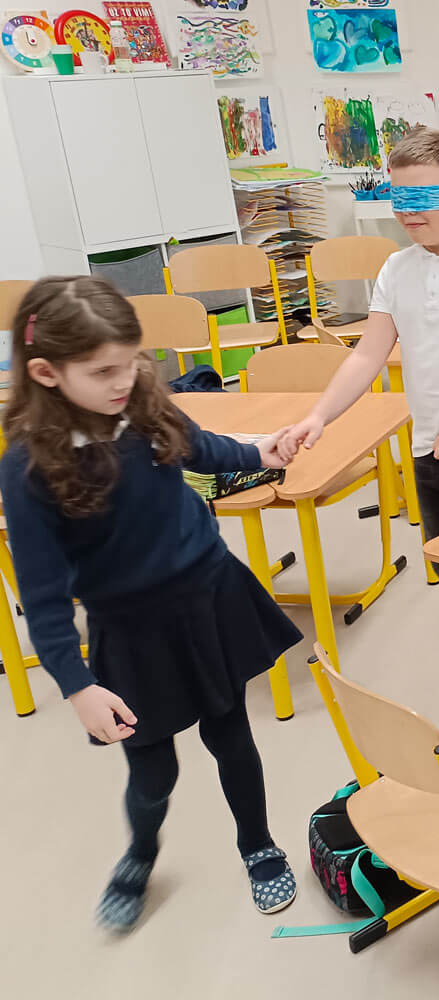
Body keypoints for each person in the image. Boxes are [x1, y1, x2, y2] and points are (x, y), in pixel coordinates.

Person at [0, 277, 303, 932]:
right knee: (153, 770)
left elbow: (196, 444)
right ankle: (140, 854)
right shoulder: (29, 466)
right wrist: (77, 685)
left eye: (133, 360)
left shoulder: (139, 398)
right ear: (47, 373)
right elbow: (44, 598)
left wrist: (258, 451)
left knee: (232, 735)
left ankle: (257, 844)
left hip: (207, 595)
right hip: (130, 631)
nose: (126, 378)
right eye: (104, 369)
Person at [278, 128, 439, 707]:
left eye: (421, 198)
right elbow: (368, 353)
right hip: (430, 450)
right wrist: (317, 416)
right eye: (398, 198)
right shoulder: (397, 270)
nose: (406, 213)